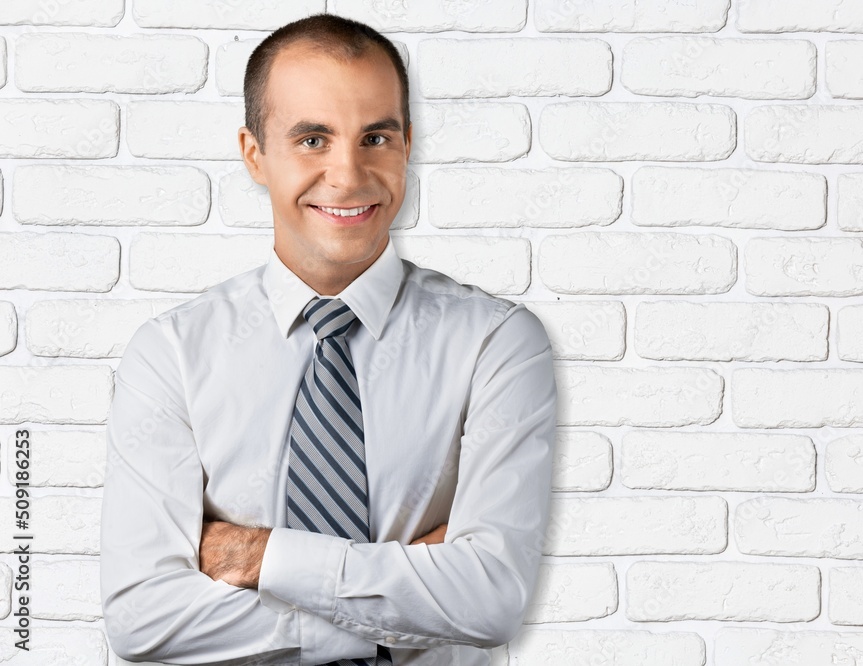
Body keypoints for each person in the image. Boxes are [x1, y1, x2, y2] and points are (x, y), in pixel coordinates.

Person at [99, 13, 557, 666]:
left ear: (406, 146)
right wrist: (401, 606)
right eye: (313, 139)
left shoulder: (497, 344)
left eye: (375, 137)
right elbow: (142, 619)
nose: (347, 175)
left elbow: (489, 599)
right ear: (255, 154)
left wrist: (264, 557)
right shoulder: (171, 353)